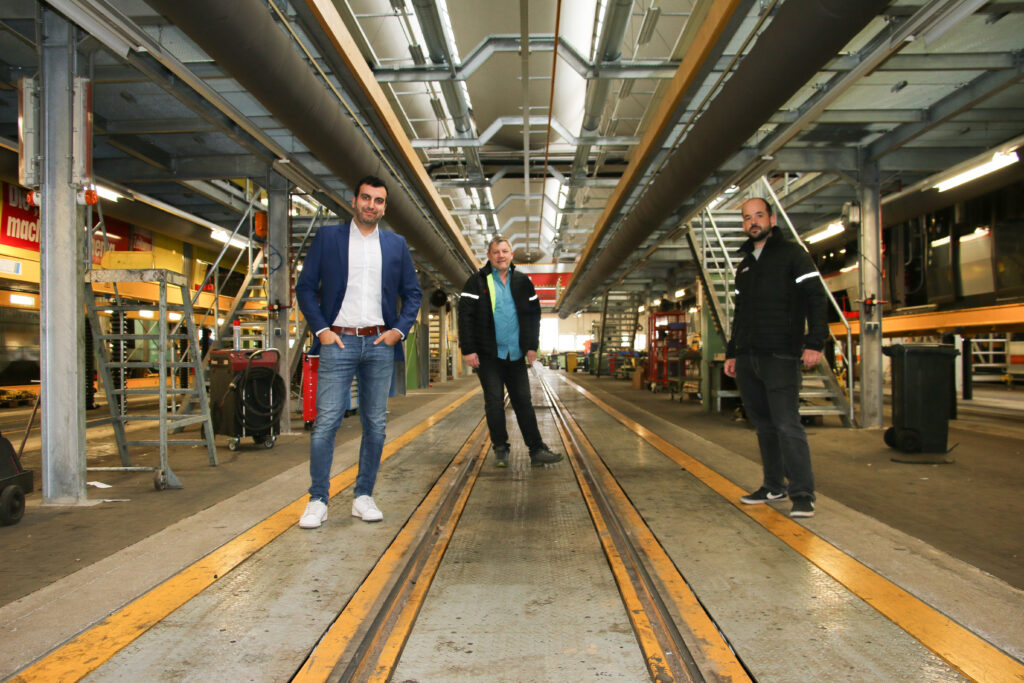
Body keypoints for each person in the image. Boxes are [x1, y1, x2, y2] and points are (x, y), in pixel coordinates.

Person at [295, 175, 422, 527]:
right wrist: (322, 329)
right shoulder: (328, 238)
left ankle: (363, 495)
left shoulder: (396, 245)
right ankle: (317, 499)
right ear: (354, 201)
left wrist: (399, 330)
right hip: (339, 340)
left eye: (378, 201)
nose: (371, 205)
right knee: (326, 422)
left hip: (381, 343)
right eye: (366, 198)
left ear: (385, 207)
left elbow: (412, 293)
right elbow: (306, 288)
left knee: (376, 425)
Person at [724, 197, 827, 518]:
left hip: (781, 353)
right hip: (749, 356)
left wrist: (815, 342)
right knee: (763, 425)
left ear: (771, 218)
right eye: (746, 218)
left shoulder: (793, 255)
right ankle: (773, 485)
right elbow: (740, 313)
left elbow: (817, 298)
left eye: (758, 216)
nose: (752, 222)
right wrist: (733, 353)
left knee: (786, 424)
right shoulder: (745, 264)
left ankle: (802, 492)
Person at [458, 236, 562, 467]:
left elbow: (533, 316)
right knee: (494, 402)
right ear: (489, 255)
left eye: (504, 251)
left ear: (511, 254)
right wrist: (468, 349)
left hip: (515, 355)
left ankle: (536, 450)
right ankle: (500, 447)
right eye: (496, 251)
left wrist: (532, 347)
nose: (501, 255)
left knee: (523, 401)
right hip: (488, 354)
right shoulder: (476, 282)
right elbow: (465, 317)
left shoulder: (523, 282)